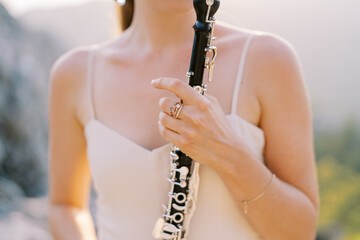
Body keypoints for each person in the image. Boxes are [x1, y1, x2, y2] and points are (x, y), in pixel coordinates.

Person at [48, 0, 319, 239]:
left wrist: (227, 153)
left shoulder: (269, 59)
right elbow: (65, 207)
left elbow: (300, 232)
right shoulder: (74, 73)